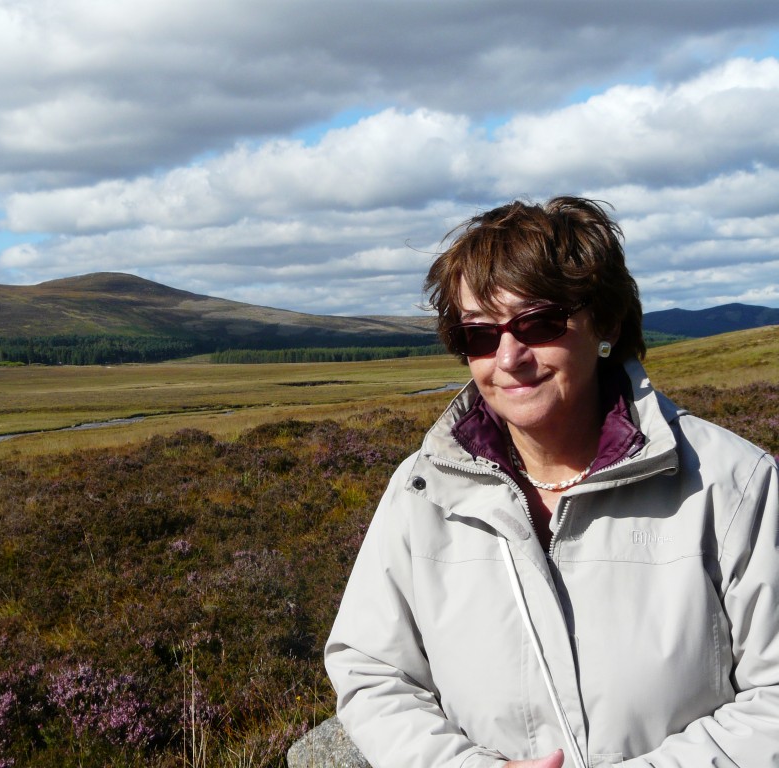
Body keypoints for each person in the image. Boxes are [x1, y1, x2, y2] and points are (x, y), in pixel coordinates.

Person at [324, 196, 779, 767]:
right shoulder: (422, 490)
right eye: (480, 335)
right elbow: (371, 669)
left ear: (605, 322)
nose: (509, 356)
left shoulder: (732, 483)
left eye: (538, 323)